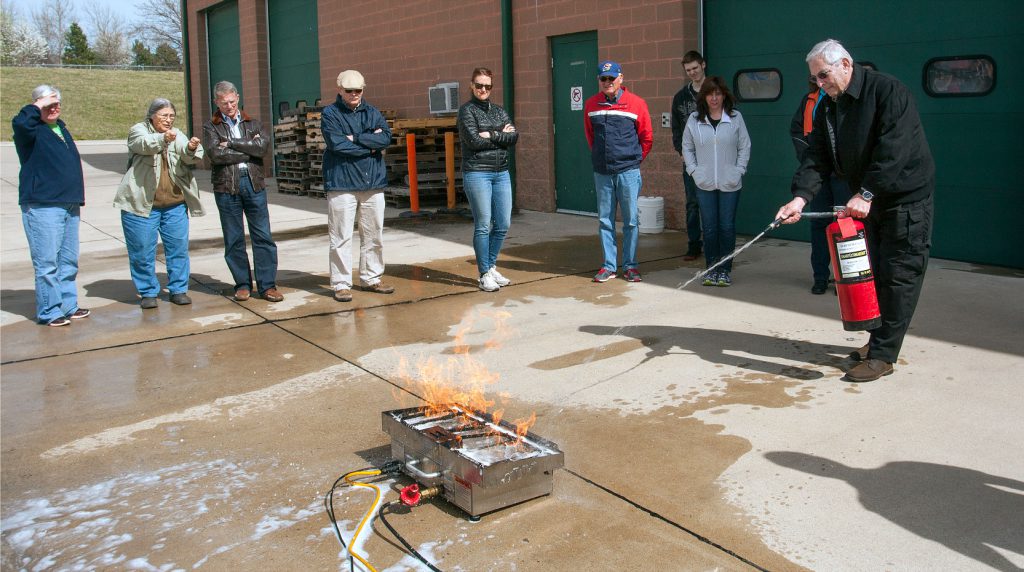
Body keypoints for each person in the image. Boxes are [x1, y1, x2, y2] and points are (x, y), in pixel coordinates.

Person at [775, 39, 935, 383]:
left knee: (898, 276)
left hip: (904, 201)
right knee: (874, 273)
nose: (819, 84)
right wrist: (800, 199)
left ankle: (883, 356)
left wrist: (866, 192)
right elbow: (816, 155)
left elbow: (894, 150)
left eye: (824, 75)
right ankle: (878, 341)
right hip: (870, 204)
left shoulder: (889, 93)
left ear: (845, 64)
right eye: (815, 79)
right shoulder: (831, 105)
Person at [114, 98, 205, 309]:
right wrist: (164, 138)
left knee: (178, 250)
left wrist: (191, 148)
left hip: (174, 204)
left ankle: (179, 290)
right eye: (164, 115)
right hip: (141, 205)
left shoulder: (177, 132)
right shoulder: (138, 130)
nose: (168, 120)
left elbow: (191, 155)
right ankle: (147, 292)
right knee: (142, 251)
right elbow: (143, 145)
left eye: (171, 116)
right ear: (152, 116)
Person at [12, 85, 89, 327]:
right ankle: (49, 310)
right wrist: (38, 105)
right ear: (37, 105)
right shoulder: (30, 130)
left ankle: (68, 305)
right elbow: (20, 122)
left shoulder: (60, 128)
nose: (54, 108)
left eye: (57, 103)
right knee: (47, 263)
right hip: (43, 205)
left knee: (68, 261)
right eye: (48, 104)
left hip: (68, 203)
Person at [202, 81, 283, 303]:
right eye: (224, 102)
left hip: (254, 184)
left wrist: (231, 143)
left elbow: (263, 149)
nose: (229, 106)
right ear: (216, 102)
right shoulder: (211, 127)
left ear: (237, 97)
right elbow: (216, 156)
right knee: (234, 238)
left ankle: (267, 286)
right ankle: (243, 284)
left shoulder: (253, 123)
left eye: (232, 101)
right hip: (227, 187)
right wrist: (249, 149)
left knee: (263, 236)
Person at [321, 69, 394, 302]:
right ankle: (341, 283)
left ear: (364, 89)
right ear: (339, 90)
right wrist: (369, 144)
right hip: (341, 183)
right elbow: (336, 144)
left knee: (374, 234)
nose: (354, 94)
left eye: (358, 90)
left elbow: (385, 138)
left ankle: (372, 277)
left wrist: (354, 138)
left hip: (372, 183)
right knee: (341, 236)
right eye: (349, 90)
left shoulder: (372, 112)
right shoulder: (330, 114)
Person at [583, 60, 653, 283]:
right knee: (605, 220)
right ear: (599, 81)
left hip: (628, 172)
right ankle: (609, 266)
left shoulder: (636, 104)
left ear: (621, 79)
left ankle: (631, 266)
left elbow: (647, 138)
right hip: (602, 173)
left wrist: (633, 161)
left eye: (612, 78)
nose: (607, 82)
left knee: (631, 220)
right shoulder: (592, 104)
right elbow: (590, 137)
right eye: (603, 79)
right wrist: (601, 159)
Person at [682, 76, 751, 287]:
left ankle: (725, 270)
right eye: (710, 94)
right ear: (704, 96)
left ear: (724, 96)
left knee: (727, 227)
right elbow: (687, 147)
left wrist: (739, 170)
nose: (714, 98)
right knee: (710, 228)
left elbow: (744, 146)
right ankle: (712, 269)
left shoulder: (735, 117)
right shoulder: (694, 119)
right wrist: (693, 170)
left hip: (730, 183)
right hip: (704, 183)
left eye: (718, 94)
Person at [457, 66, 519, 292]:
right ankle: (484, 274)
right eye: (479, 85)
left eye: (487, 86)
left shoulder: (499, 111)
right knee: (483, 224)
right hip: (477, 173)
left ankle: (491, 266)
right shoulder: (467, 111)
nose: (483, 89)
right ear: (472, 86)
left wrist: (491, 134)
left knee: (503, 223)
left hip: (501, 172)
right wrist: (501, 135)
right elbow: (473, 141)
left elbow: (514, 136)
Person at [790, 78, 851, 295]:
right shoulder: (809, 101)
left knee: (844, 225)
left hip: (843, 175)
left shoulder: (845, 100)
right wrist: (810, 160)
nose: (822, 81)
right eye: (818, 77)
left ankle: (843, 278)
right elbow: (797, 132)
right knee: (819, 226)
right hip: (818, 174)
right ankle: (820, 277)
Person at [670, 50, 707, 261]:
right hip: (690, 159)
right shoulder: (680, 97)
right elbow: (676, 128)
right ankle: (694, 245)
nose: (692, 73)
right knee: (692, 203)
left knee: (713, 203)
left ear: (703, 65)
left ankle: (714, 244)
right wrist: (681, 152)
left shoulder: (716, 92)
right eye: (688, 70)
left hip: (714, 158)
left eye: (695, 68)